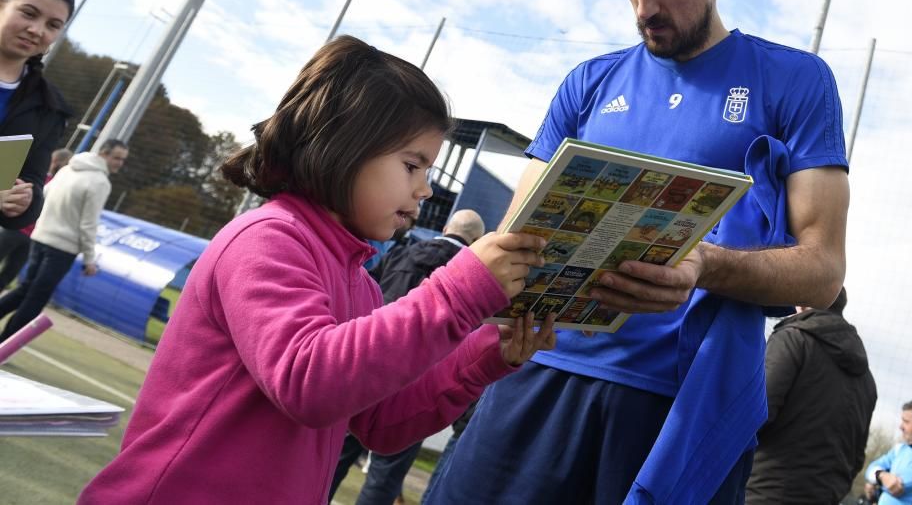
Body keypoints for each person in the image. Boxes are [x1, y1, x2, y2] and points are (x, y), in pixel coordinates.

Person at [424, 0, 850, 505]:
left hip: (677, 402)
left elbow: (823, 271)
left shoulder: (793, 81)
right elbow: (513, 240)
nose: (644, 5)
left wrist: (705, 263)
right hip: (542, 369)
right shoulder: (589, 83)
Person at [78, 36, 557, 504]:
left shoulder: (362, 285)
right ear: (344, 147)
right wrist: (461, 291)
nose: (425, 189)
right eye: (413, 165)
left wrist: (488, 352)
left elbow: (382, 425)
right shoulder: (267, 238)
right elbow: (308, 381)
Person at [351, 209, 486, 505]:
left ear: (447, 227)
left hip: (366, 363)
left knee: (336, 455)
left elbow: (363, 296)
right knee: (385, 475)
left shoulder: (402, 254)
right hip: (418, 385)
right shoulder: (472, 275)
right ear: (476, 240)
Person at [745, 287, 877, 504]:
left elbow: (757, 413)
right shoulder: (866, 379)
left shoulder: (793, 339)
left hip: (767, 492)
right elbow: (857, 457)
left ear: (803, 303)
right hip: (827, 496)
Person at [0, 139, 128, 341]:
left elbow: (45, 195)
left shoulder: (68, 169)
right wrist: (89, 259)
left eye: (122, 160)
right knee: (36, 298)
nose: (120, 163)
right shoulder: (100, 182)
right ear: (103, 153)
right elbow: (88, 223)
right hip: (62, 246)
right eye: (117, 158)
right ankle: (5, 343)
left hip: (40, 236)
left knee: (25, 289)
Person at [0, 0, 74, 231]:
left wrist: (23, 202)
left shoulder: (49, 107)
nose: (36, 30)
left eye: (53, 25)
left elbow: (32, 181)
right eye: (29, 13)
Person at [0, 147, 73, 291]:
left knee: (9, 274)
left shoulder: (40, 180)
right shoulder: (40, 180)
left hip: (26, 234)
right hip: (19, 231)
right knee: (9, 274)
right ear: (55, 161)